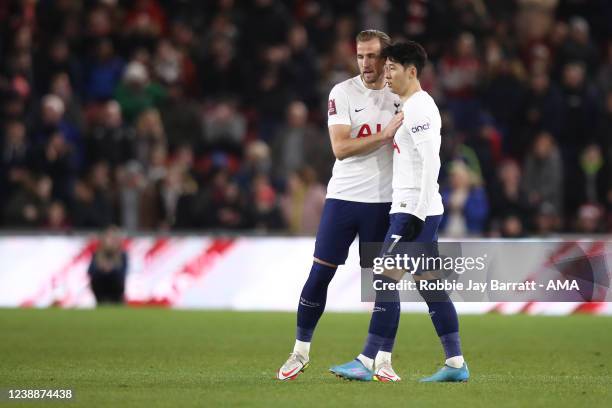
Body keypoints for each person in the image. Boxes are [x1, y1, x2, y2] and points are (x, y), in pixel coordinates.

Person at [330, 41, 469, 382]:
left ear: (412, 71)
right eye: (386, 67)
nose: (386, 74)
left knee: (383, 278)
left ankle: (366, 360)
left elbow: (432, 161)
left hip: (413, 210)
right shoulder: (408, 105)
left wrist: (416, 214)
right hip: (413, 208)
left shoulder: (420, 107)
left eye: (393, 68)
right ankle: (455, 364)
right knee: (430, 285)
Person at [276, 30, 404, 381]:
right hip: (344, 198)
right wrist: (386, 134)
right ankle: (299, 352)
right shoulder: (343, 92)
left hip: (385, 201)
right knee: (320, 273)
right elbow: (341, 148)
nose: (365, 63)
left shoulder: (402, 96)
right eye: (360, 56)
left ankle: (383, 360)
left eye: (373, 56)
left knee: (386, 283)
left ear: (386, 57)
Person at [88, 226, 128, 304]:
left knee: (116, 278)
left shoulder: (122, 255)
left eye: (113, 238)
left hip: (116, 290)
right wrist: (102, 269)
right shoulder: (97, 254)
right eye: (109, 238)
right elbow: (90, 271)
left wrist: (111, 269)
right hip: (100, 289)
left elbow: (123, 272)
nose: (111, 241)